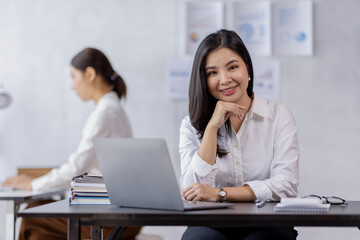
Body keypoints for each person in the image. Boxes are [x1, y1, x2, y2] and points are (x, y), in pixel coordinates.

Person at [2, 47, 141, 240]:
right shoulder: (112, 108)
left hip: (115, 220)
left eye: (73, 77)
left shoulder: (105, 113)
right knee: (38, 228)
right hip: (120, 212)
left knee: (31, 216)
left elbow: (75, 169)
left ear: (90, 74)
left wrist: (33, 184)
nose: (72, 86)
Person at [179, 29, 299, 240]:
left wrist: (219, 194)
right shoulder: (191, 124)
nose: (224, 79)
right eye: (212, 73)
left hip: (267, 222)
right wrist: (211, 129)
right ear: (203, 80)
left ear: (248, 69)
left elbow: (286, 184)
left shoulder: (279, 116)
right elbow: (191, 192)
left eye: (232, 67)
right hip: (210, 224)